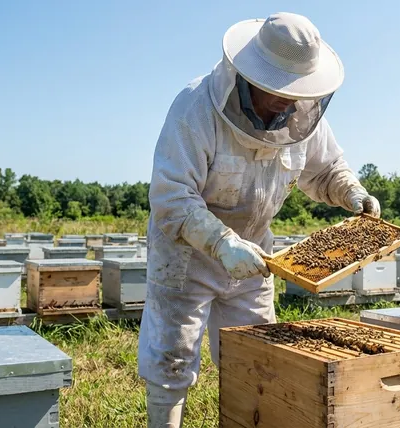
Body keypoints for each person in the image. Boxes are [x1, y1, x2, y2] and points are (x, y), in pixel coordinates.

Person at [138, 12, 380, 427]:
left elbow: (326, 170)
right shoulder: (195, 109)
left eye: (297, 92)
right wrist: (219, 243)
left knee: (255, 356)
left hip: (255, 257)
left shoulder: (303, 115)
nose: (288, 102)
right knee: (171, 360)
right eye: (279, 91)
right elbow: (171, 197)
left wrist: (352, 192)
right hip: (186, 254)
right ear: (249, 77)